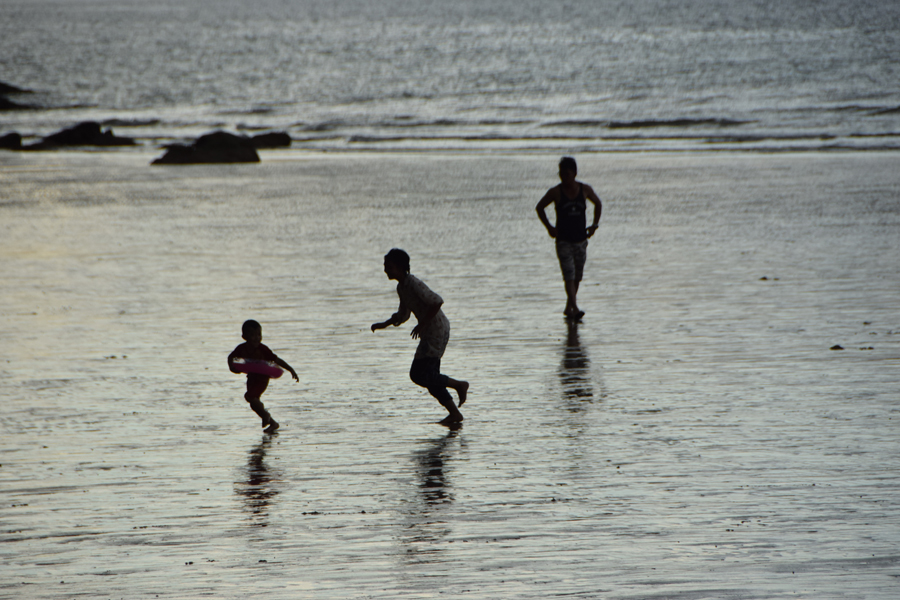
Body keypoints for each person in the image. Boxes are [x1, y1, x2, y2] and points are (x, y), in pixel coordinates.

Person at [371, 248, 469, 425]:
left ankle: (459, 385)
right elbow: (403, 314)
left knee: (417, 374)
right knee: (429, 378)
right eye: (385, 266)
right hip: (429, 332)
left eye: (389, 266)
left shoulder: (413, 282)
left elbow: (437, 301)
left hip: (436, 330)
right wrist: (383, 324)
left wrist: (422, 324)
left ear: (400, 267)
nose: (385, 270)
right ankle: (455, 414)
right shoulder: (402, 287)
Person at [535, 156, 602, 319]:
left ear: (575, 173)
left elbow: (598, 204)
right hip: (563, 240)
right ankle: (575, 307)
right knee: (569, 274)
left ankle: (568, 306)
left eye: (567, 173)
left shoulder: (584, 189)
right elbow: (539, 207)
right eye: (561, 174)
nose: (564, 177)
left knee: (577, 275)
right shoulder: (555, 192)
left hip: (581, 239)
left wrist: (594, 225)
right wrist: (550, 227)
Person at [228, 319, 298, 433]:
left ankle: (266, 415)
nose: (257, 338)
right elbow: (231, 357)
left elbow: (276, 360)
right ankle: (273, 423)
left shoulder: (263, 349)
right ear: (244, 336)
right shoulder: (241, 348)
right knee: (253, 403)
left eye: (259, 334)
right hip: (251, 377)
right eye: (252, 335)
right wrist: (232, 367)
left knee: (249, 397)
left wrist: (290, 369)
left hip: (262, 378)